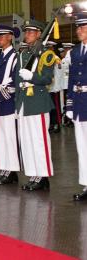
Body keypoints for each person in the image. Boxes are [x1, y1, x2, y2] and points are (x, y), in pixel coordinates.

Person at [15, 19, 56, 191]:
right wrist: (17, 106)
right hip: (24, 103)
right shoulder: (23, 54)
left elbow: (47, 79)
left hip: (38, 103)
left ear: (39, 34)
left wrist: (32, 77)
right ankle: (33, 174)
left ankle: (43, 176)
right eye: (26, 32)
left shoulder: (46, 54)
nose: (27, 35)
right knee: (27, 141)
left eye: (31, 32)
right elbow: (18, 81)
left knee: (39, 141)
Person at [0, 25, 20, 185]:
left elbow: (14, 82)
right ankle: (3, 168)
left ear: (10, 37)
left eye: (2, 35)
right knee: (0, 137)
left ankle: (12, 169)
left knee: (9, 137)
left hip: (8, 102)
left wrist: (1, 96)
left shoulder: (15, 57)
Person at [66, 13, 87, 201]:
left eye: (82, 27)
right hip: (79, 103)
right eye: (77, 27)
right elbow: (71, 79)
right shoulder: (75, 52)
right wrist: (70, 103)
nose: (78, 30)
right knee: (82, 147)